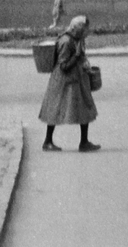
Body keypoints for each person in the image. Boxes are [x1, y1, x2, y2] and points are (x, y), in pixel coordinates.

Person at [39, 14, 100, 152]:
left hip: (77, 79)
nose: (86, 32)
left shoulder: (77, 40)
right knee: (55, 109)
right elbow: (63, 66)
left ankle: (84, 142)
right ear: (77, 29)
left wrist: (85, 65)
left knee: (84, 108)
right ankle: (47, 141)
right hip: (64, 81)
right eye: (84, 29)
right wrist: (77, 56)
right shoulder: (66, 41)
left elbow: (81, 56)